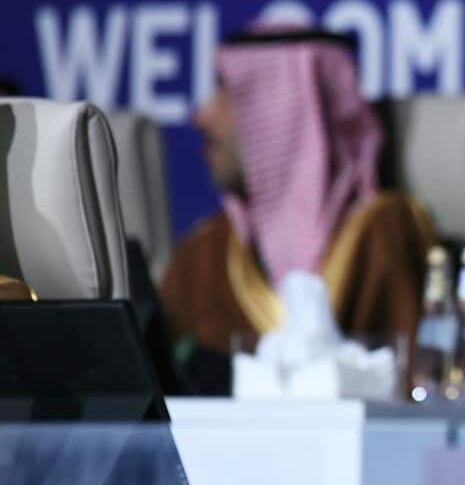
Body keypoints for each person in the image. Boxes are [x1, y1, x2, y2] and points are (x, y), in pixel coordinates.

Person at [160, 29, 437, 392]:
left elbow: (411, 389)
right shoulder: (201, 255)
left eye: (226, 90)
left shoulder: (382, 236)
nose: (201, 117)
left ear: (283, 105)